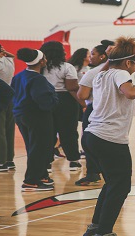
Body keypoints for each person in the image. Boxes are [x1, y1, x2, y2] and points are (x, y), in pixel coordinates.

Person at [81, 36, 135, 236]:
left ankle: (95, 228)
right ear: (128, 62)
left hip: (91, 135)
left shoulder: (101, 73)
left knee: (112, 183)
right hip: (109, 138)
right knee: (121, 186)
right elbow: (131, 92)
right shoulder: (122, 73)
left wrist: (113, 55)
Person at [11, 48, 58, 191]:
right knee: (39, 148)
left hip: (20, 115)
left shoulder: (19, 76)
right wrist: (54, 100)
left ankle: (41, 175)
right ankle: (30, 181)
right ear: (42, 61)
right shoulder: (38, 79)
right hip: (37, 116)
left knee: (33, 147)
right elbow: (44, 102)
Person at [40, 41, 83, 171]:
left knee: (47, 132)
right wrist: (83, 103)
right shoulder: (67, 67)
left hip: (45, 99)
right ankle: (74, 161)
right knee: (68, 131)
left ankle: (47, 162)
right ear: (60, 52)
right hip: (65, 101)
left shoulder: (40, 67)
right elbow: (72, 88)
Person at [75, 40, 112, 186]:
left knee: (88, 142)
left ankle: (92, 172)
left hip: (95, 109)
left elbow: (82, 95)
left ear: (103, 56)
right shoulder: (120, 70)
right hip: (113, 109)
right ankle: (107, 170)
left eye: (93, 53)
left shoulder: (93, 72)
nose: (91, 57)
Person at [0, 44, 16, 171]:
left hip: (0, 97)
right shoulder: (9, 61)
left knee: (0, 131)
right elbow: (12, 56)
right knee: (9, 129)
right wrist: (5, 53)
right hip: (10, 98)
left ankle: (1, 162)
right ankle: (10, 160)